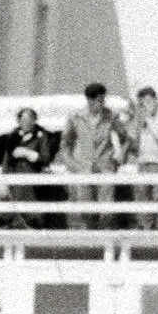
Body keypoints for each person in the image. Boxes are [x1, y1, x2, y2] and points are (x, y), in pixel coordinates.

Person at [60, 83, 124, 230]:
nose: (101, 104)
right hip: (83, 166)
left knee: (106, 206)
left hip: (105, 165)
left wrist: (118, 158)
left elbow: (124, 138)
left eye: (103, 100)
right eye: (98, 101)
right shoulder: (75, 117)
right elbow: (65, 143)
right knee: (85, 205)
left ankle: (105, 237)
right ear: (89, 100)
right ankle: (88, 239)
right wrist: (71, 164)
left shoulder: (111, 116)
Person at [128, 87, 158, 230]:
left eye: (149, 101)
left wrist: (148, 119)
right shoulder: (141, 116)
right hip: (143, 163)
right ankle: (145, 229)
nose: (146, 105)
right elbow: (133, 139)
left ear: (156, 99)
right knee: (142, 198)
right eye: (143, 102)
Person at [0, 106, 55, 228]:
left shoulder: (41, 135)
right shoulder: (13, 136)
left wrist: (31, 154)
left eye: (30, 119)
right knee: (10, 204)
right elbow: (6, 159)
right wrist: (2, 181)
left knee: (30, 207)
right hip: (13, 176)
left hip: (32, 177)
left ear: (35, 120)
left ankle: (33, 229)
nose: (27, 123)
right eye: (23, 120)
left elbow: (46, 157)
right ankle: (15, 228)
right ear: (19, 121)